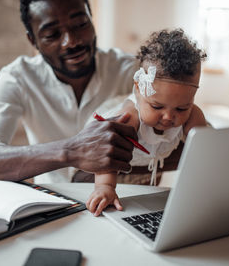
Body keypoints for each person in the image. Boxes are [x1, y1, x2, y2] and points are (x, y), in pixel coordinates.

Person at [0, 0, 140, 183]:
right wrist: (70, 151)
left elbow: (169, 143)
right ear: (33, 40)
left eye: (80, 24)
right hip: (52, 202)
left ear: (92, 20)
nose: (71, 42)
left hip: (123, 199)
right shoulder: (18, 78)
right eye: (52, 34)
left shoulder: (131, 71)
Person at [86, 29, 208, 216]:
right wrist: (105, 187)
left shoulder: (193, 115)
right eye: (157, 107)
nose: (168, 117)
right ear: (139, 88)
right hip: (118, 165)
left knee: (147, 196)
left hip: (149, 169)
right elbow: (108, 150)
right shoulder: (130, 116)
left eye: (181, 108)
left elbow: (204, 148)